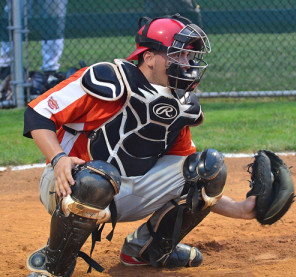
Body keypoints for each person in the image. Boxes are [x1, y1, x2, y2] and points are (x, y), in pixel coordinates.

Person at [23, 14, 256, 277]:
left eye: (189, 57)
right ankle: (54, 264)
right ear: (149, 57)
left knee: (208, 168)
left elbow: (189, 180)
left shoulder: (180, 104)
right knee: (97, 179)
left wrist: (240, 209)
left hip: (128, 190)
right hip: (70, 185)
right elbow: (38, 113)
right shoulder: (107, 80)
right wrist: (58, 158)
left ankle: (148, 249)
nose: (187, 64)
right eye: (177, 55)